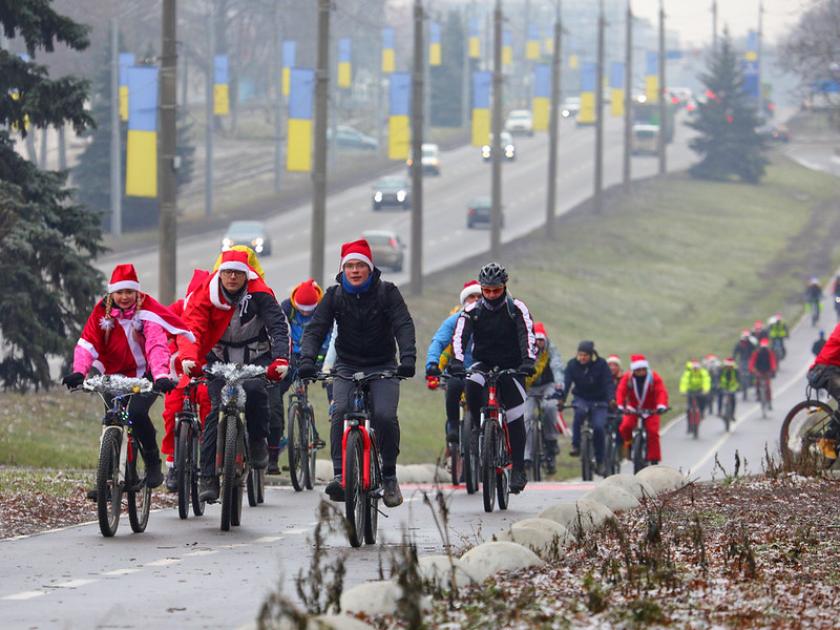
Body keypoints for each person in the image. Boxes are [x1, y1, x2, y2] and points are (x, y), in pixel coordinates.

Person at [297, 239, 416, 508]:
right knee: (340, 411)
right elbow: (316, 329)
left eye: (360, 265)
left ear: (370, 268)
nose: (354, 270)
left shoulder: (387, 292)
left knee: (384, 416)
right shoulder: (334, 296)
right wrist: (307, 360)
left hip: (383, 365)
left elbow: (403, 324)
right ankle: (341, 475)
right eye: (349, 266)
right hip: (347, 365)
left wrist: (408, 358)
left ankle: (389, 476)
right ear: (343, 269)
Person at [63, 264, 192, 495]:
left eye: (129, 292)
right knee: (112, 419)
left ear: (136, 292)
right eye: (120, 292)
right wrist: (79, 372)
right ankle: (107, 480)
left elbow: (156, 345)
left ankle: (152, 461)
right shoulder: (101, 312)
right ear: (112, 293)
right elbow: (87, 343)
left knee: (136, 414)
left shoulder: (148, 312)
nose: (124, 297)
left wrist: (161, 375)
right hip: (114, 376)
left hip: (147, 374)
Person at [177, 250, 291, 503]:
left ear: (247, 275)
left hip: (255, 356)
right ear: (219, 273)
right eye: (227, 272)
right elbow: (192, 328)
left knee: (255, 392)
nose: (232, 277)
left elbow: (278, 327)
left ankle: (258, 441)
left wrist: (281, 359)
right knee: (214, 408)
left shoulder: (261, 293)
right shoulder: (205, 294)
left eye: (238, 273)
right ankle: (208, 477)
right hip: (218, 357)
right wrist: (189, 358)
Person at [449, 262, 536, 493]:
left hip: (512, 366)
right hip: (484, 363)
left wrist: (528, 361)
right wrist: (457, 361)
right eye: (486, 290)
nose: (491, 295)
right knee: (471, 382)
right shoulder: (472, 310)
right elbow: (459, 336)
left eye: (496, 290)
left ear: (504, 287)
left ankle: (518, 468)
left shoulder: (516, 308)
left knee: (515, 415)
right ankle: (478, 427)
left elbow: (527, 333)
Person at [268, 279, 330, 473]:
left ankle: (315, 424)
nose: (304, 313)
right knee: (275, 393)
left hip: (315, 356)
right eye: (301, 309)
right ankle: (280, 433)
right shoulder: (287, 308)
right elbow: (279, 332)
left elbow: (327, 336)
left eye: (308, 310)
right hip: (290, 356)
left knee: (327, 382)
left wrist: (320, 361)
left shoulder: (324, 309)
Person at [161, 268, 211, 491]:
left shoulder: (215, 312)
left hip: (206, 367)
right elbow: (159, 330)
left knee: (207, 398)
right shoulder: (178, 308)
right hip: (178, 366)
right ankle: (173, 462)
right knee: (172, 410)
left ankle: (209, 446)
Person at [425, 280, 482, 444]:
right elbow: (438, 341)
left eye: (479, 296)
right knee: (453, 386)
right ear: (464, 301)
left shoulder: (490, 318)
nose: (476, 300)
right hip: (460, 371)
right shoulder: (455, 320)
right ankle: (453, 426)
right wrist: (432, 363)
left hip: (484, 371)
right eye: (471, 297)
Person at [559, 340, 614, 474]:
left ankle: (600, 461)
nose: (582, 358)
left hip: (599, 401)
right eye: (580, 355)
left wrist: (611, 399)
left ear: (591, 355)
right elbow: (566, 383)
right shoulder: (572, 364)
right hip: (581, 399)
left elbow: (608, 383)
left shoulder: (601, 364)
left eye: (585, 355)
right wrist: (561, 399)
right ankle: (576, 446)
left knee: (599, 427)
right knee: (578, 414)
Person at [524, 322, 564, 475]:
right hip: (529, 388)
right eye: (535, 340)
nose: (538, 343)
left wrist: (559, 384)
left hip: (548, 385)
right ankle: (526, 456)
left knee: (550, 407)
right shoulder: (526, 349)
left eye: (541, 339)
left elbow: (557, 366)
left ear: (545, 339)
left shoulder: (551, 350)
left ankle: (551, 442)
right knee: (526, 417)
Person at [615, 354, 668, 465]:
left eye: (643, 369)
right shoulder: (628, 378)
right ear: (634, 370)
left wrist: (661, 405)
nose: (641, 372)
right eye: (638, 370)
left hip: (651, 409)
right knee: (625, 426)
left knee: (653, 432)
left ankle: (654, 460)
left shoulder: (654, 377)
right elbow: (621, 391)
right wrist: (620, 405)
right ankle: (629, 444)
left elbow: (661, 391)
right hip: (633, 409)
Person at [748, 338, 777, 408]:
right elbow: (752, 362)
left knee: (768, 386)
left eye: (765, 347)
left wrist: (773, 370)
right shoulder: (756, 353)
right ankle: (758, 396)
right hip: (759, 371)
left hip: (767, 371)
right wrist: (752, 370)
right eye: (762, 347)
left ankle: (769, 401)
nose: (764, 349)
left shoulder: (770, 353)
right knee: (757, 383)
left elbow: (772, 362)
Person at [732, 330, 755, 398]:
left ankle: (752, 383)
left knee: (752, 372)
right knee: (740, 373)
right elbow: (735, 352)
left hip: (749, 360)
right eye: (745, 337)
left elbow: (755, 350)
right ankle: (739, 385)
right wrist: (733, 359)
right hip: (742, 361)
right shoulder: (739, 344)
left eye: (747, 337)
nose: (745, 339)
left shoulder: (751, 344)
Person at [718, 357, 740, 422]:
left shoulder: (735, 370)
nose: (729, 367)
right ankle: (719, 411)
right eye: (727, 366)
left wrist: (737, 387)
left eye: (730, 366)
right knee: (720, 396)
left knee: (733, 400)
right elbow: (718, 378)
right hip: (723, 387)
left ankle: (732, 414)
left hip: (732, 388)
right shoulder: (722, 370)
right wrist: (718, 386)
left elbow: (738, 380)